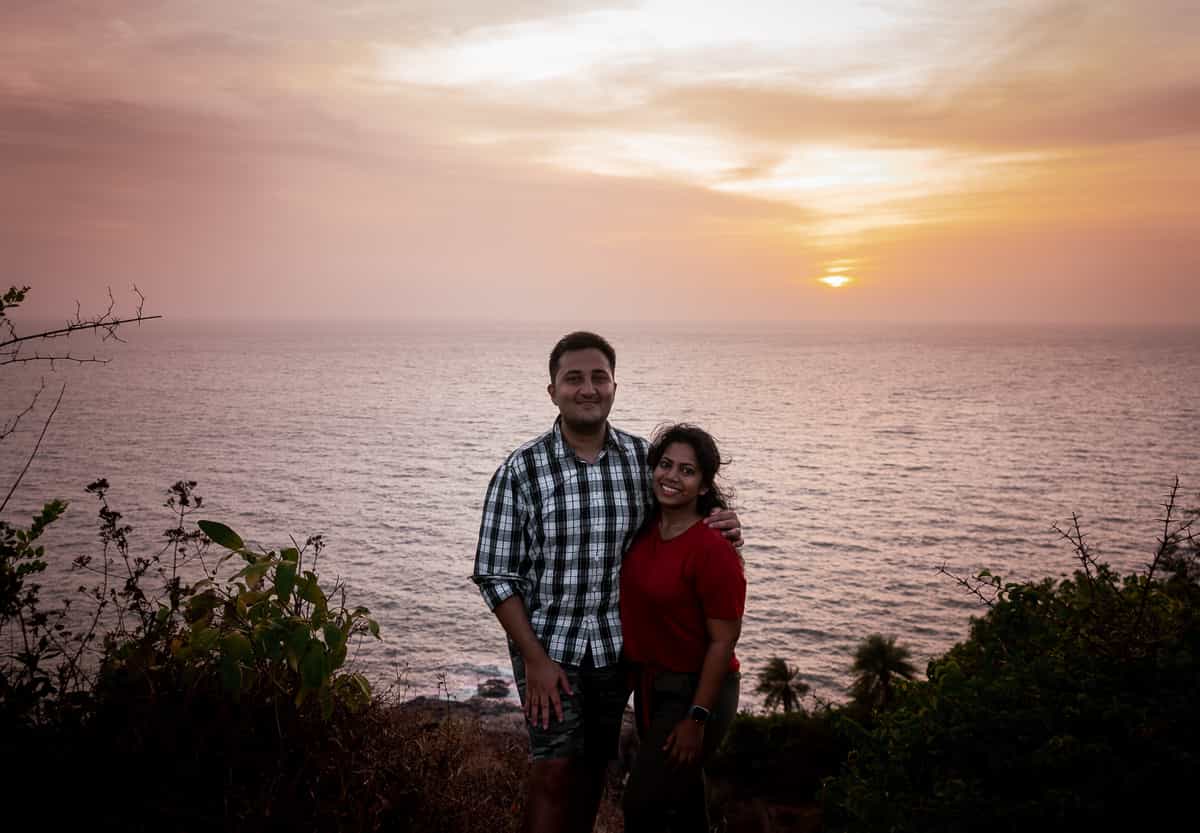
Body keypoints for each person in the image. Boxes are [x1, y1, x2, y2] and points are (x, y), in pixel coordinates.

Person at [472, 332, 742, 833]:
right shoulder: (521, 470)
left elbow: (686, 517)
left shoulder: (643, 462)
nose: (587, 388)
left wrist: (724, 522)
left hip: (617, 656)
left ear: (615, 386)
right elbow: (494, 574)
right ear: (552, 390)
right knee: (552, 771)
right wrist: (535, 660)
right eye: (573, 378)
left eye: (599, 377)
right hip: (550, 651)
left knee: (593, 771)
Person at [619, 424, 746, 833]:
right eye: (665, 464)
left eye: (687, 471)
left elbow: (724, 640)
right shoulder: (646, 526)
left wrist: (697, 717)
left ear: (705, 485)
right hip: (652, 685)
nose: (672, 476)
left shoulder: (712, 549)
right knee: (684, 807)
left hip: (697, 690)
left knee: (643, 806)